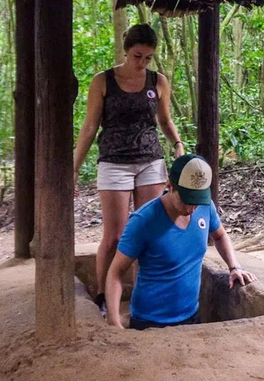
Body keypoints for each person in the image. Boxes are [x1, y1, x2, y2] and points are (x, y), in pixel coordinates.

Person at [73, 24, 185, 317]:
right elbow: (89, 127)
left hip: (150, 160)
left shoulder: (158, 81)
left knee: (149, 230)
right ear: (126, 50)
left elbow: (164, 121)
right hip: (113, 162)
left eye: (148, 58)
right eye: (137, 56)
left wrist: (177, 143)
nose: (142, 63)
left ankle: (143, 294)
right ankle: (102, 294)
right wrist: (73, 168)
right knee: (115, 235)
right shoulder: (103, 81)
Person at [105, 154, 257, 330]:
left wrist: (234, 266)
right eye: (186, 200)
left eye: (197, 202)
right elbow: (116, 272)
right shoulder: (143, 221)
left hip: (191, 316)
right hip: (149, 322)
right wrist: (114, 320)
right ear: (170, 186)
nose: (192, 209)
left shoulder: (205, 207)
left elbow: (220, 236)